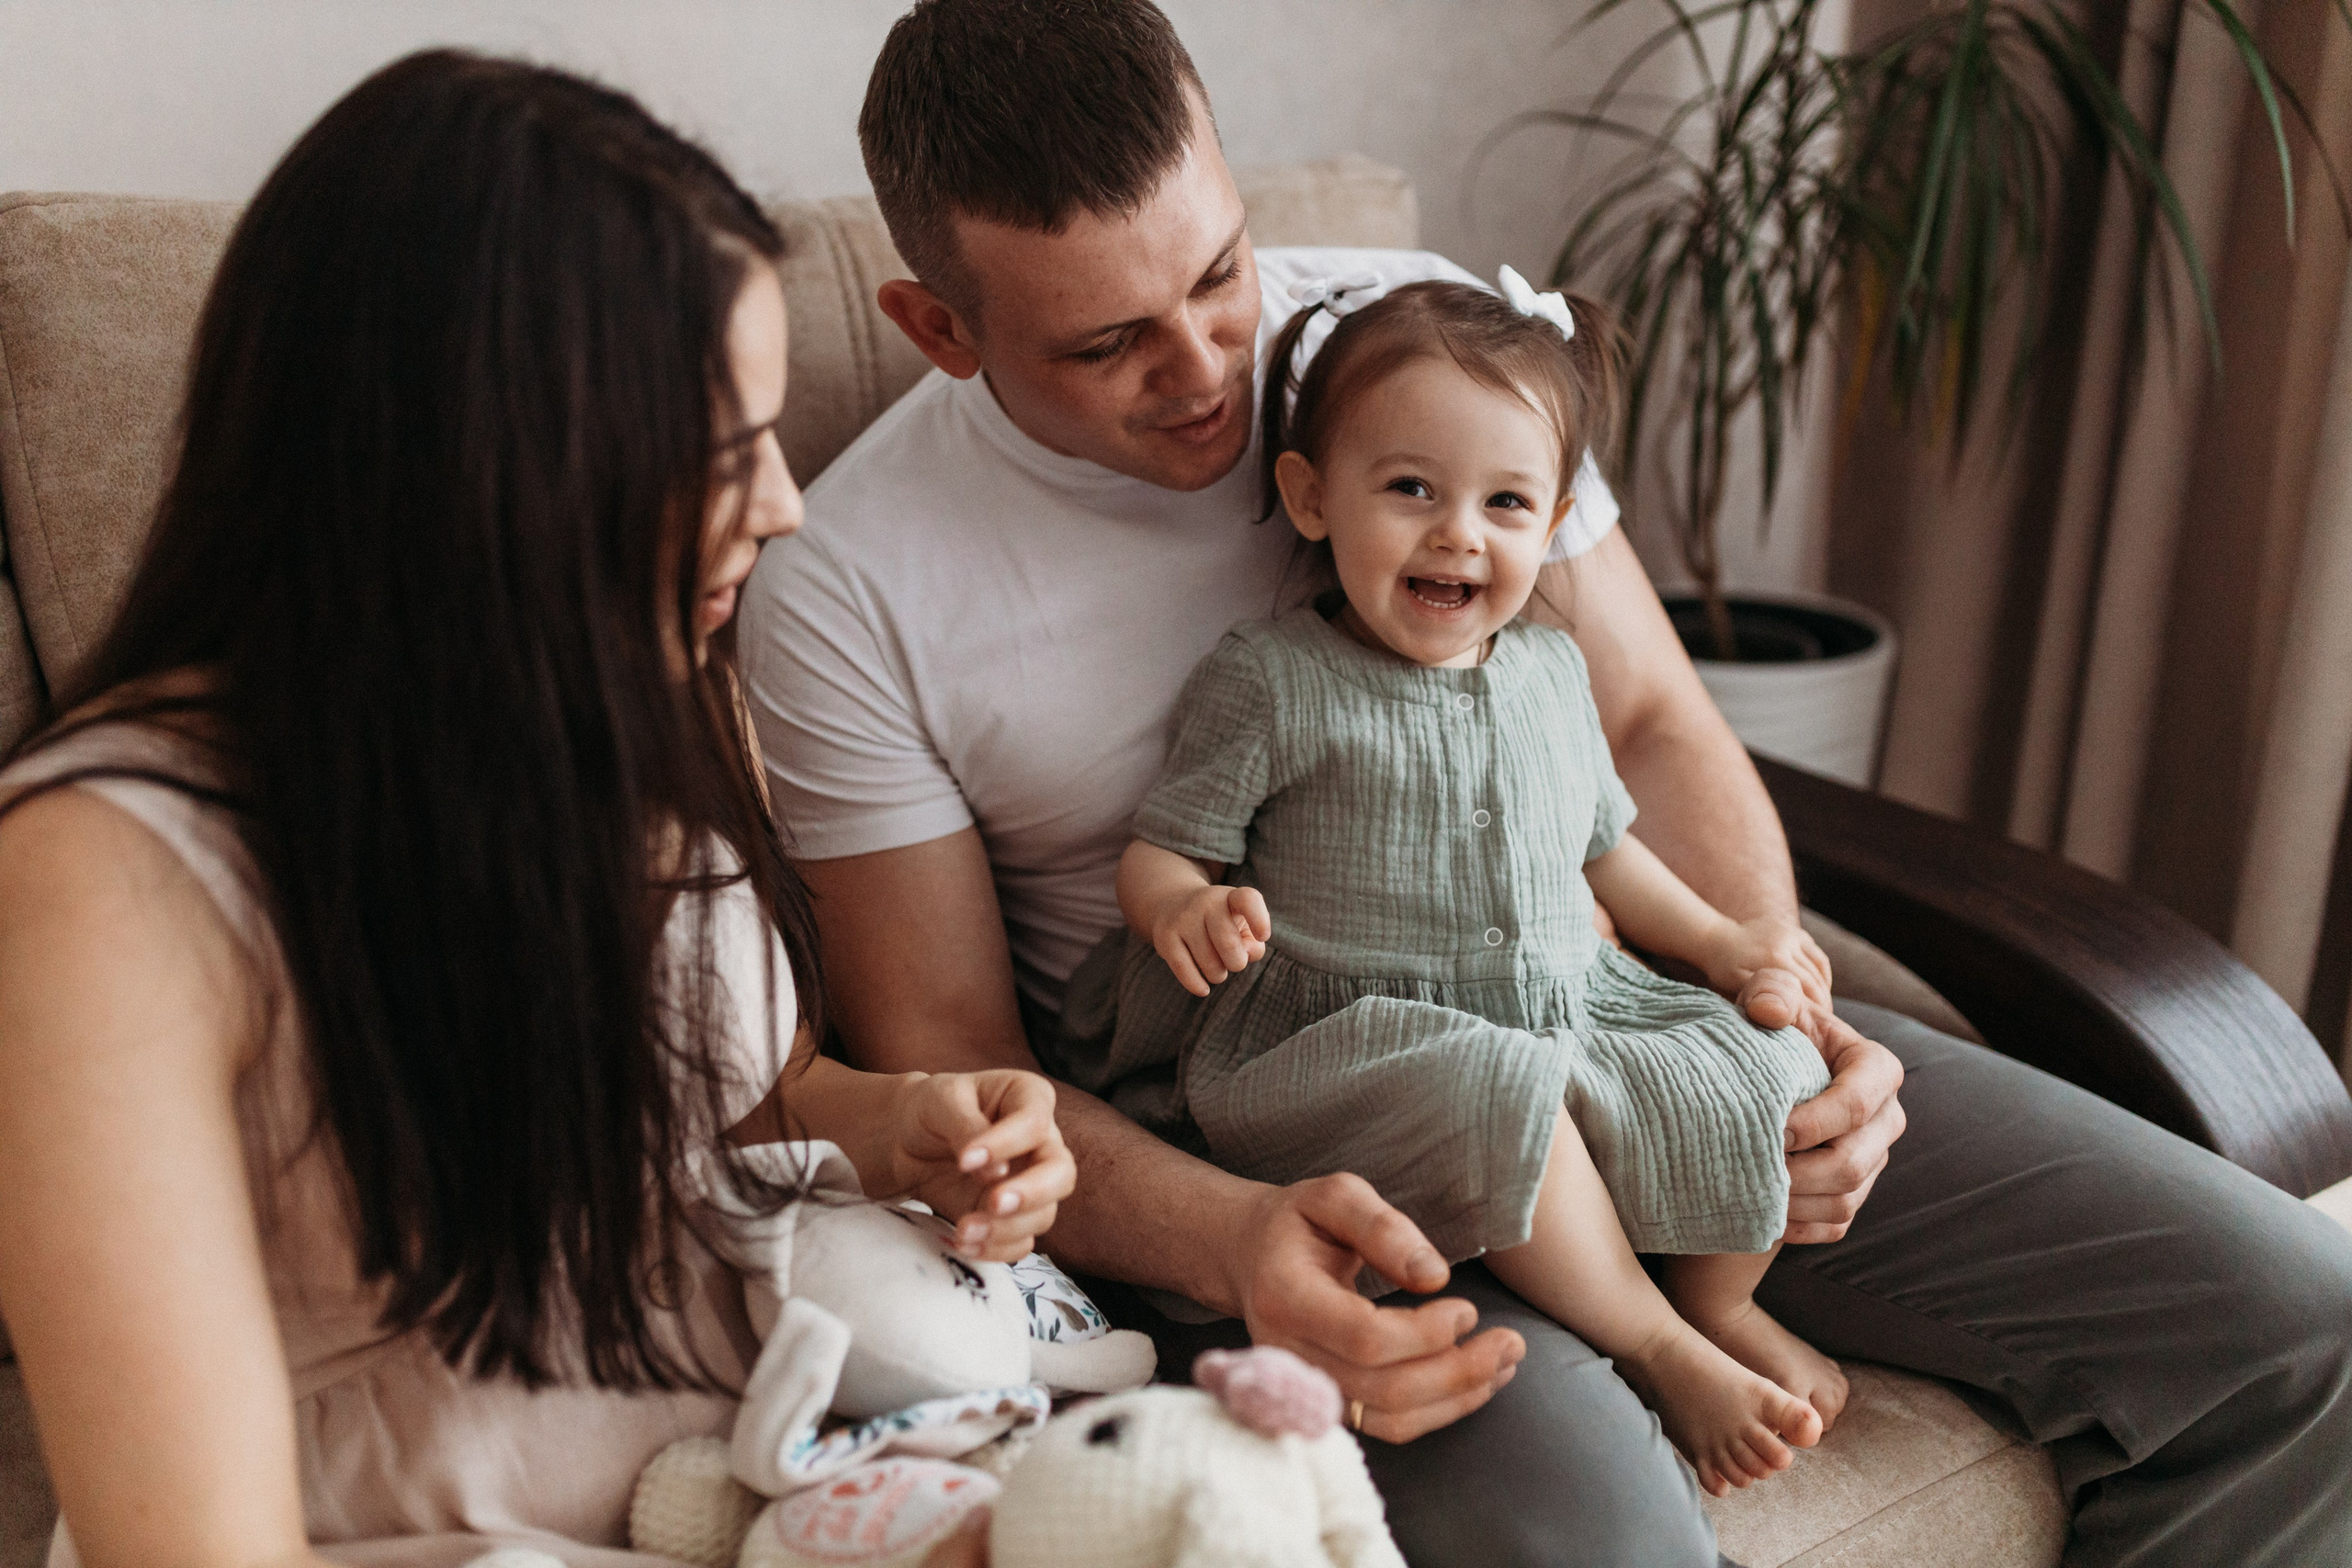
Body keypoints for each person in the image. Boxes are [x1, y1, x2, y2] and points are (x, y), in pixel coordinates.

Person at [743, 2, 2352, 1563]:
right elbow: (964, 1072)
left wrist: (1786, 1026)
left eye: (1220, 271)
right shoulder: (846, 588)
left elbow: (1644, 722)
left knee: (2302, 1337)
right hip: (1305, 1150)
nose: (1208, 368)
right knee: (1596, 1536)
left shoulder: (1413, 343)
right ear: (937, 330)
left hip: (1619, 1018)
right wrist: (1238, 1245)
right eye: (1109, 342)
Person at [0, 51, 1067, 1568]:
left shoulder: (633, 681)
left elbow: (728, 1116)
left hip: (771, 1476)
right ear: (485, 467)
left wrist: (904, 1127)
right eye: (718, 454)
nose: (783, 506)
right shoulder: (106, 877)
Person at [1112, 276, 1844, 1497]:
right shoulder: (1277, 679)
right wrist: (1184, 907)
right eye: (1411, 490)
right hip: (1360, 1032)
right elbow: (1164, 849)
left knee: (1761, 1063)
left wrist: (1725, 946)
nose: (1460, 534)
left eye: (1505, 503)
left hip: (1568, 997)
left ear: (1552, 521)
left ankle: (1718, 1301)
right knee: (1502, 1090)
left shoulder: (1554, 673)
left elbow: (1605, 849)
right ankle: (1658, 1348)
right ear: (1311, 497)